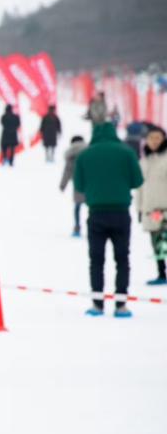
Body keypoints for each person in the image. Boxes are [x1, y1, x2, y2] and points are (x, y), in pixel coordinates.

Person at [74, 122, 144, 317]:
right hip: (121, 213)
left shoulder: (85, 154)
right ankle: (121, 305)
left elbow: (79, 185)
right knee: (122, 259)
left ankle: (97, 304)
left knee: (96, 260)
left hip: (96, 214)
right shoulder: (126, 152)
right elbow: (138, 180)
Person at [137, 125, 167, 285]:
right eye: (151, 138)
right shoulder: (144, 161)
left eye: (158, 138)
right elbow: (139, 187)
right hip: (150, 210)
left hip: (165, 209)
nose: (154, 141)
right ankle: (161, 273)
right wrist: (139, 208)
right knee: (157, 244)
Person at [60, 135, 88, 237]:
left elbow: (67, 171)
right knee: (92, 206)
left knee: (77, 206)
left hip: (78, 182)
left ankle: (77, 228)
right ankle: (93, 227)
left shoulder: (71, 155)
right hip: (91, 183)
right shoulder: (90, 151)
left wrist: (63, 185)